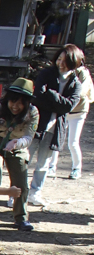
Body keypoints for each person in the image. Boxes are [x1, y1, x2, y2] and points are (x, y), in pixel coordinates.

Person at [0, 78, 40, 233]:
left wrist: (15, 144)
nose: (15, 106)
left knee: (20, 182)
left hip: (17, 146)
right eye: (13, 101)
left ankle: (21, 218)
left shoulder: (33, 112)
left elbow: (28, 137)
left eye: (20, 103)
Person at [27, 44, 82, 206]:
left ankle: (35, 193)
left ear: (74, 62)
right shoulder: (46, 73)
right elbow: (38, 96)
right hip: (37, 123)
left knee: (43, 163)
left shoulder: (75, 83)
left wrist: (51, 94)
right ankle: (16, 193)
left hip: (55, 128)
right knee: (25, 159)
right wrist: (57, 102)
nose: (61, 63)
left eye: (65, 61)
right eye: (59, 59)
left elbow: (68, 107)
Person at [47, 51, 93, 180]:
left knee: (72, 142)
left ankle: (76, 169)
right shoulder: (59, 71)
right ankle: (51, 167)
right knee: (56, 138)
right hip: (62, 111)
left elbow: (81, 92)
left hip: (78, 112)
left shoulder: (82, 73)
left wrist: (65, 98)